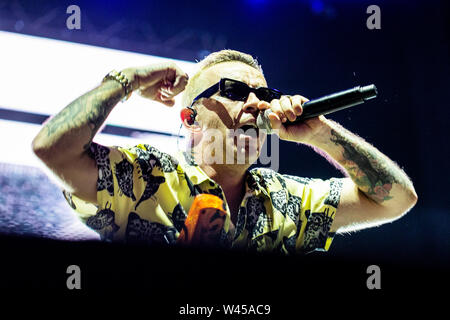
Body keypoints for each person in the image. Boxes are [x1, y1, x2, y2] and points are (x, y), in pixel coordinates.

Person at [32, 50, 417, 254]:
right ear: (190, 117)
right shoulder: (145, 177)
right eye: (233, 92)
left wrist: (322, 134)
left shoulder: (288, 202)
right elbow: (54, 150)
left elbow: (397, 200)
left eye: (264, 96)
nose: (256, 104)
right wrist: (128, 80)